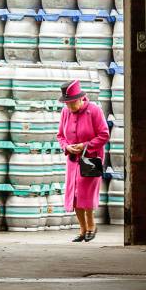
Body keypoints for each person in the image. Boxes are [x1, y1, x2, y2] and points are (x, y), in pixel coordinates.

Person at [56, 80, 110, 242]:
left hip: (91, 159)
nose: (70, 107)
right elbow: (60, 136)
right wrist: (67, 147)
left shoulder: (94, 111)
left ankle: (92, 225)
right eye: (67, 103)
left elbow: (104, 134)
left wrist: (85, 145)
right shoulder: (65, 112)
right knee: (74, 195)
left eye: (73, 103)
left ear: (81, 99)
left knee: (85, 194)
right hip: (73, 160)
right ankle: (82, 229)